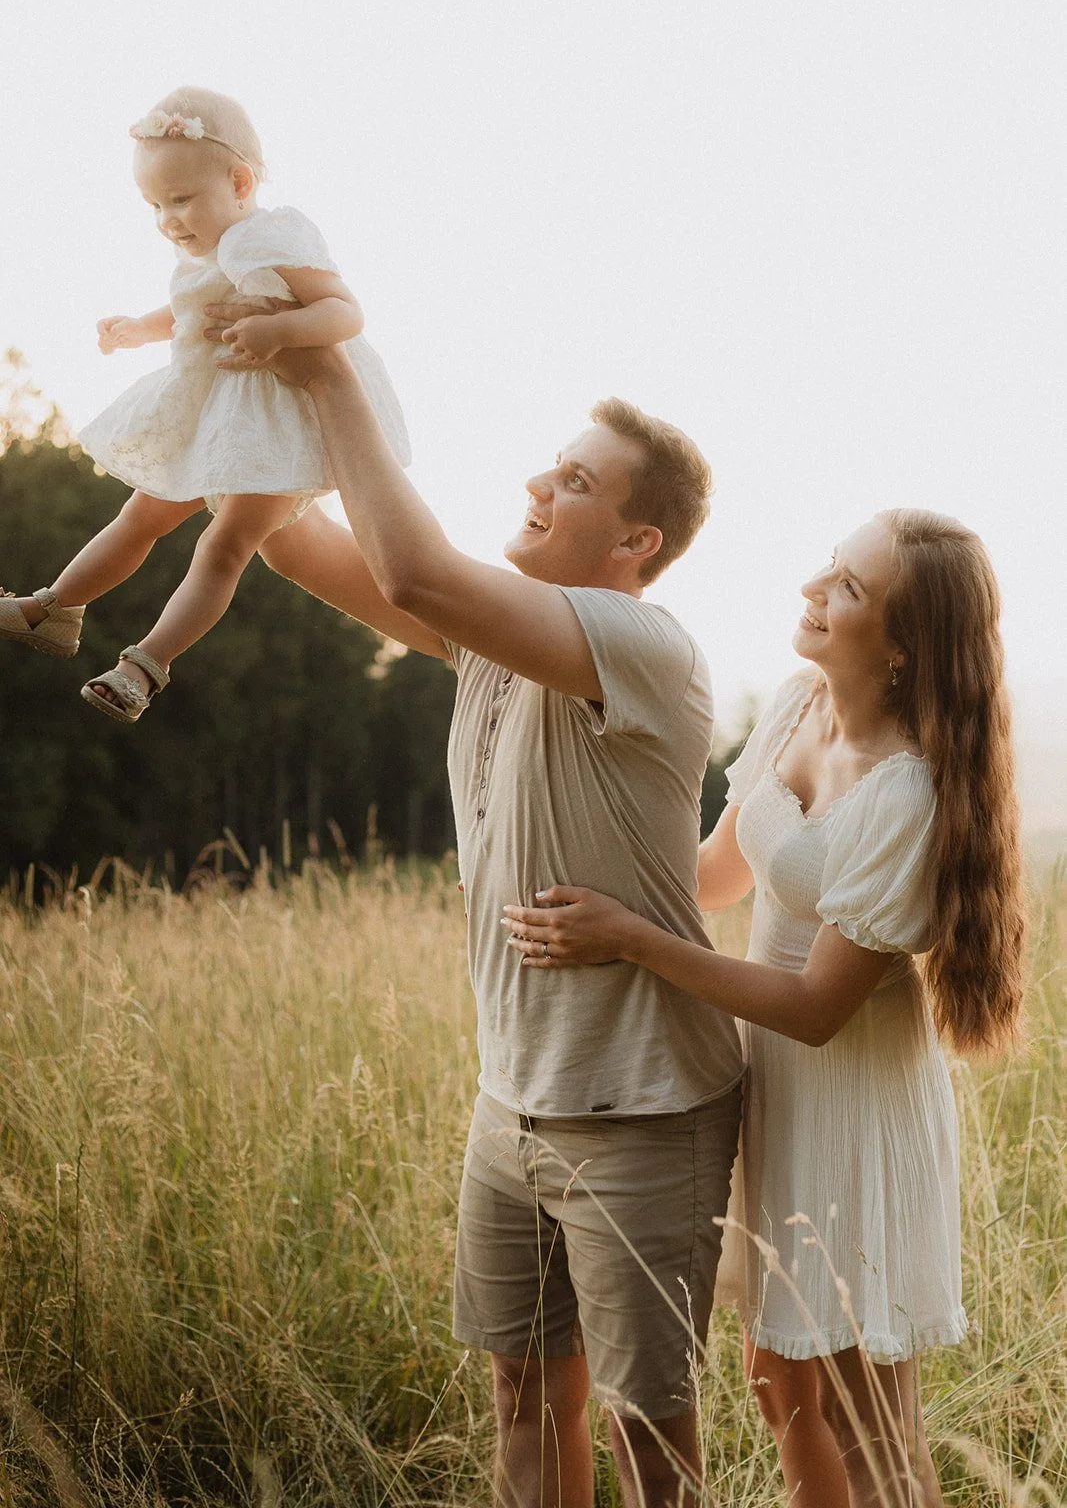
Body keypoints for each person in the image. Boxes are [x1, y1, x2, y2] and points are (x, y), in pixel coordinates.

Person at [202, 310, 744, 1507]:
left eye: (574, 478)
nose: (538, 484)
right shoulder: (496, 642)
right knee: (520, 1403)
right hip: (509, 1107)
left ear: (636, 538)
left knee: (649, 1445)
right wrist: (224, 391)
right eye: (550, 464)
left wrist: (330, 363)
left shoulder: (644, 643)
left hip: (641, 1113)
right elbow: (295, 540)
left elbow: (408, 568)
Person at [502, 512, 1025, 1507]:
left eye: (846, 588)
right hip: (769, 1094)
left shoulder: (902, 794)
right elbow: (710, 876)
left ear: (904, 645)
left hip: (850, 1112)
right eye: (829, 567)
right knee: (779, 1383)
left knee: (868, 1420)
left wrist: (627, 939)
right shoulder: (796, 706)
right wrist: (580, 829)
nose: (810, 589)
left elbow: (816, 1004)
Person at [0, 85, 408, 722]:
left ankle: (145, 665)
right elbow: (193, 307)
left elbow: (344, 311)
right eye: (156, 205)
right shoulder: (204, 251)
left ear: (240, 180)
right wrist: (139, 327)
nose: (168, 219)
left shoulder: (271, 236)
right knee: (141, 516)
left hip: (277, 424)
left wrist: (279, 330)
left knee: (224, 546)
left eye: (182, 199)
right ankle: (53, 608)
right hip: (213, 415)